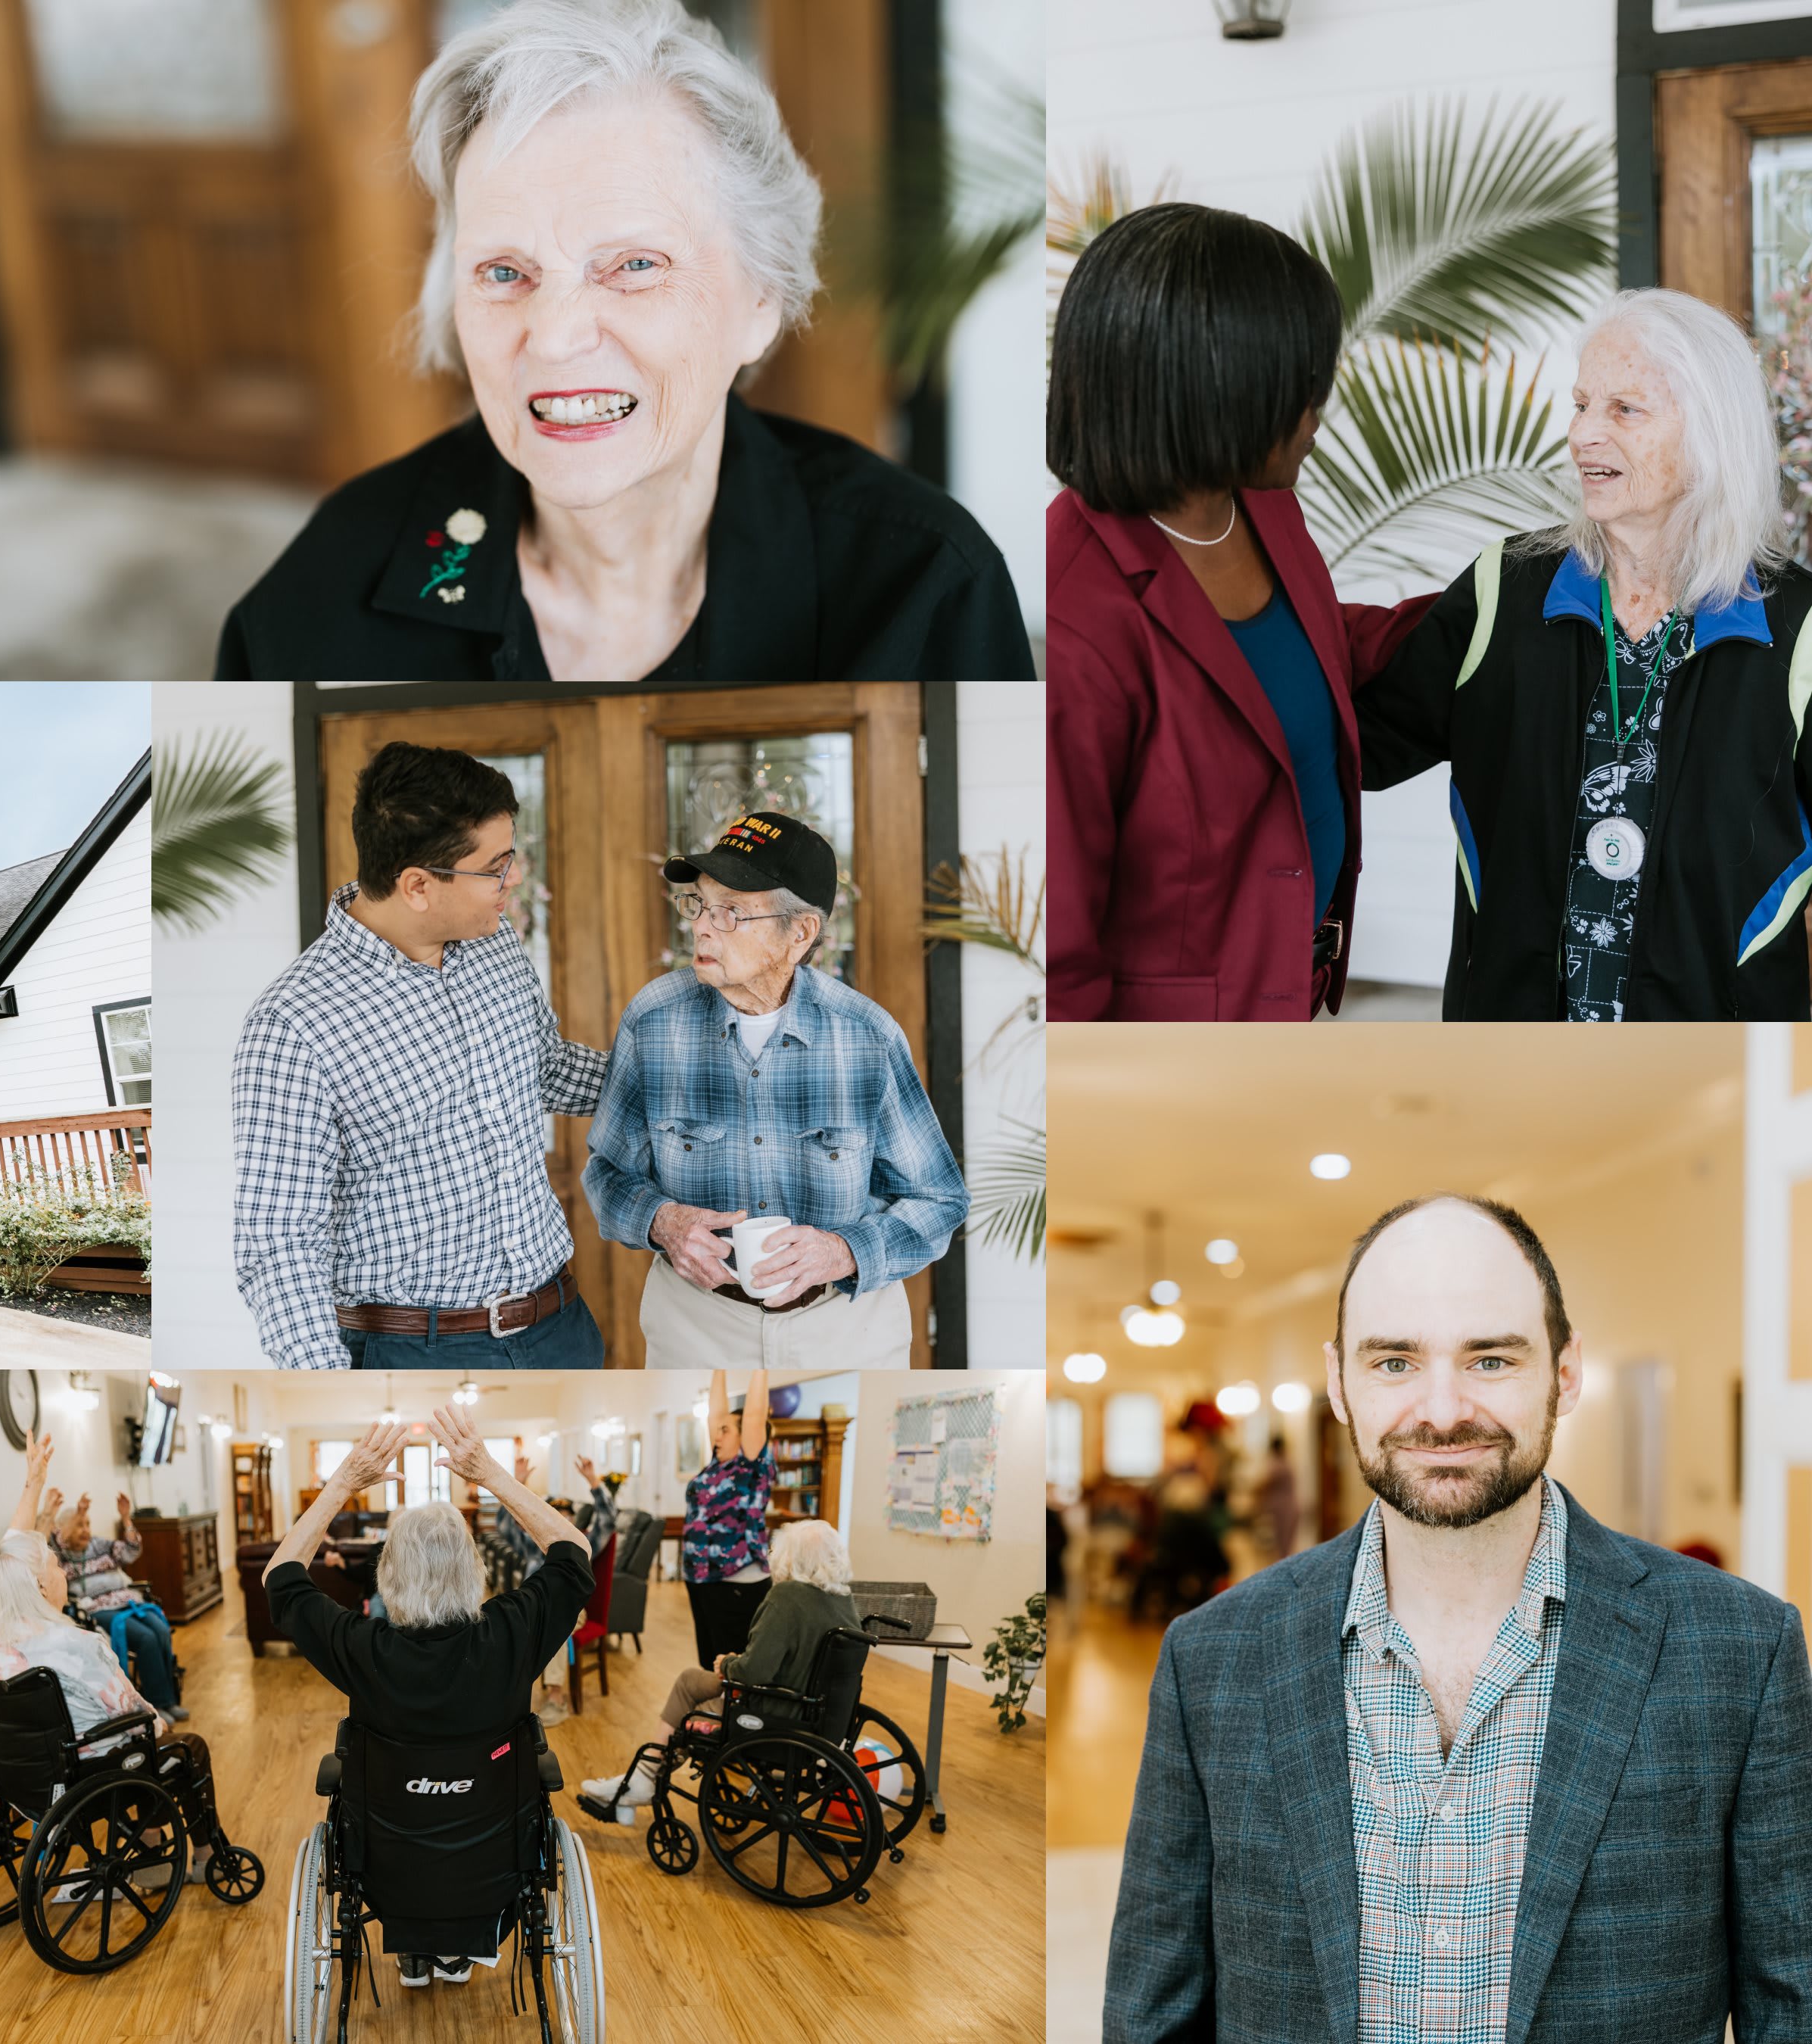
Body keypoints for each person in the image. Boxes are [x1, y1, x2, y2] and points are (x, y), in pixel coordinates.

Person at [1105, 1195, 1812, 2044]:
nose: (1441, 1412)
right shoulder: (1212, 1658)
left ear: (1565, 1371)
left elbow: (1792, 2003)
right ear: (1340, 1383)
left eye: (1490, 1359)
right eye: (1395, 1363)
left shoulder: (1740, 1650)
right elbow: (1153, 2016)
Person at [217, 0, 1026, 682]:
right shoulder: (323, 587)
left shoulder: (922, 587)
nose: (559, 336)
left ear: (763, 297)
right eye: (504, 272)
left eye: (635, 265)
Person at [1353, 288, 1812, 1020]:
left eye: (1625, 410)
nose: (1584, 436)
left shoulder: (1795, 625)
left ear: (1711, 434)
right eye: (1581, 405)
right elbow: (1363, 744)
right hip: (1514, 1045)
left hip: (1717, 1058)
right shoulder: (1505, 588)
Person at [1048, 203, 1437, 1020]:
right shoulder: (1077, 616)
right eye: (1300, 391)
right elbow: (1065, 952)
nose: (1315, 417)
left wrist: (1503, 602)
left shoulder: (1259, 509)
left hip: (1297, 994)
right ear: (1216, 387)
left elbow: (1314, 649)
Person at [229, 742, 615, 1369]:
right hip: (415, 1351)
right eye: (495, 867)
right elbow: (279, 1244)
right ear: (417, 886)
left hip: (560, 1326)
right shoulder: (294, 1026)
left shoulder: (494, 946)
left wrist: (677, 1078)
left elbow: (542, 1067)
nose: (512, 878)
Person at [581, 813, 965, 1366]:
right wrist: (660, 1221)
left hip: (846, 1325)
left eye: (731, 911)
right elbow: (607, 1175)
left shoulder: (867, 1037)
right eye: (700, 905)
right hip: (696, 1325)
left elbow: (940, 1202)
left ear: (800, 933)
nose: (703, 927)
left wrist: (842, 1252)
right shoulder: (653, 1022)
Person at [268, 1407, 593, 1988]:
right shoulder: (512, 1633)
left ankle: (415, 1952)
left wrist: (343, 1481)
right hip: (495, 1867)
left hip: (388, 1874)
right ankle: (456, 1950)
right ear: (473, 1568)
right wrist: (489, 1472)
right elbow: (573, 1551)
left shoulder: (363, 1647)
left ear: (387, 1573)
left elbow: (282, 1575)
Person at [579, 1517, 858, 1819]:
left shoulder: (788, 1598)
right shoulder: (844, 1601)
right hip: (810, 1709)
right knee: (689, 1680)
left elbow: (754, 1673)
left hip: (772, 1708)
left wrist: (727, 1663)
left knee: (693, 1708)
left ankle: (644, 1779)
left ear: (791, 1557)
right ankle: (644, 1777)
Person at [51, 1489, 186, 1718]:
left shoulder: (100, 1545)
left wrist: (126, 1518)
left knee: (161, 1630)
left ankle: (169, 1700)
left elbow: (131, 1552)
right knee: (146, 1638)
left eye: (87, 1524)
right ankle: (156, 1704)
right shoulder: (60, 1556)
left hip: (127, 1601)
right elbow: (57, 1540)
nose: (85, 1530)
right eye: (79, 1525)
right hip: (97, 1609)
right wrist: (79, 1512)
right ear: (65, 1528)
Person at [674, 1368, 774, 1669]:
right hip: (701, 1578)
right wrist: (719, 1364)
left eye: (726, 1430)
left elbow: (755, 1414)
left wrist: (760, 1363)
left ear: (747, 1435)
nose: (717, 1434)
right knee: (709, 1662)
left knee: (732, 1664)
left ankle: (731, 1715)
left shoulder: (751, 1468)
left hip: (737, 1582)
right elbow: (716, 1414)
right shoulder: (715, 1468)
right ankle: (715, 1714)